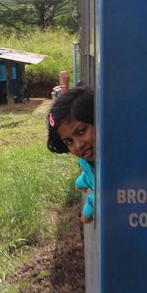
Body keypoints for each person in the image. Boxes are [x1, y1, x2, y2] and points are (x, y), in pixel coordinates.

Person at [47, 87, 96, 223]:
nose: (79, 145)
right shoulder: (85, 160)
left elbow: (102, 193)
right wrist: (81, 182)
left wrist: (87, 212)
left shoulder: (113, 159)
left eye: (81, 131)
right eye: (69, 141)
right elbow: (88, 173)